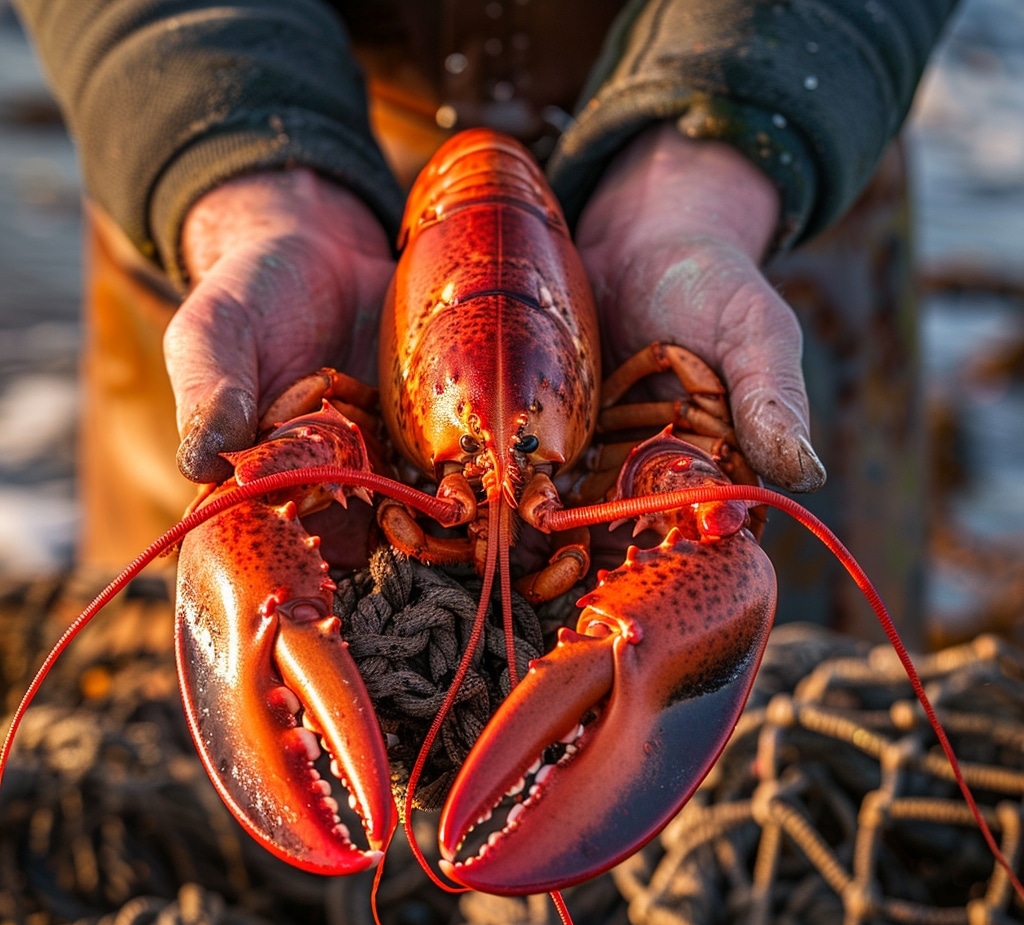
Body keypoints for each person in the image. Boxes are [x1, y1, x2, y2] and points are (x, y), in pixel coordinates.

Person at [13, 0, 956, 638]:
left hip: (749, 169)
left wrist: (726, 151)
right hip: (258, 201)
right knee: (226, 578)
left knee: (783, 708)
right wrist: (239, 180)